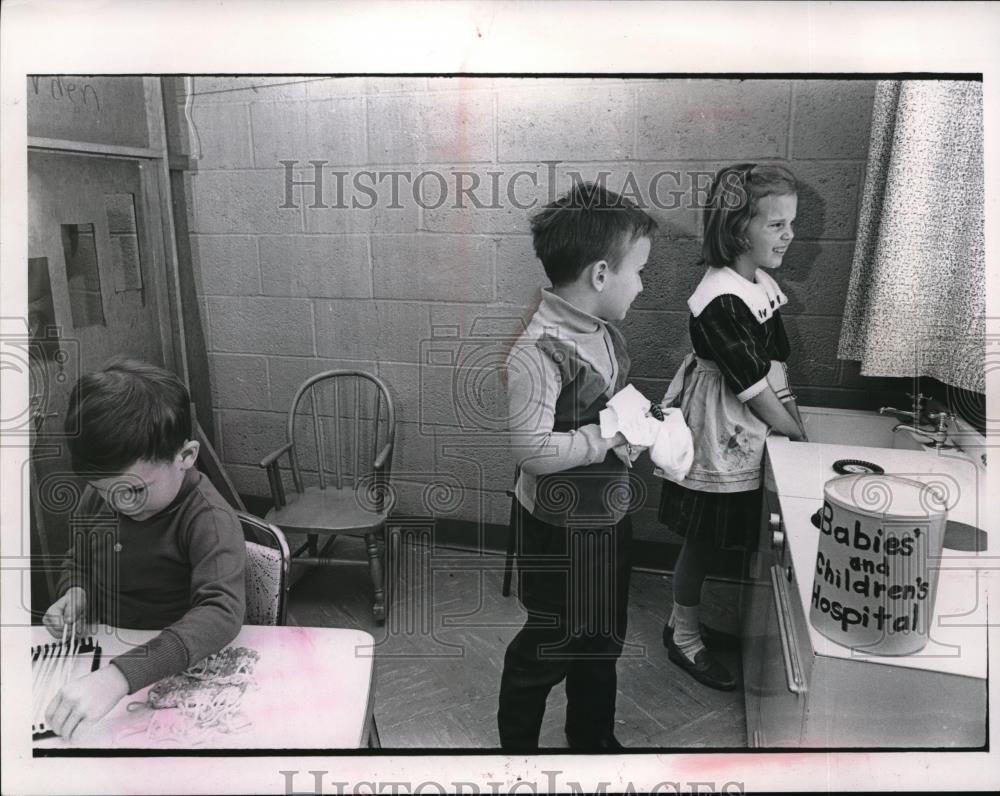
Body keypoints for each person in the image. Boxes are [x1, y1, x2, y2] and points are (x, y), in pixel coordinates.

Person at [497, 182, 658, 751]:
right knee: (551, 644)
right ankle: (515, 756)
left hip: (608, 520)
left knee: (601, 638)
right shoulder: (537, 352)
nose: (642, 284)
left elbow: (610, 403)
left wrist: (638, 428)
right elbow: (533, 452)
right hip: (559, 533)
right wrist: (602, 437)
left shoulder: (600, 334)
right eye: (638, 271)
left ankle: (591, 739)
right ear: (599, 275)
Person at [658, 163, 806, 691]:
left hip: (751, 416)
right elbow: (751, 385)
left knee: (721, 537)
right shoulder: (720, 297)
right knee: (702, 540)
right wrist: (794, 433)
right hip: (721, 426)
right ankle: (684, 637)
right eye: (777, 225)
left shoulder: (757, 282)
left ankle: (683, 620)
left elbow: (775, 358)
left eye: (792, 223)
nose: (790, 235)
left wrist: (789, 419)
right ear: (739, 227)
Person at [42, 358, 246, 740]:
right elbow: (79, 559)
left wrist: (120, 676)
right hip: (103, 659)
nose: (120, 504)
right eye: (106, 491)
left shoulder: (209, 520)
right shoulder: (101, 497)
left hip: (171, 669)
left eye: (135, 490)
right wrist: (75, 591)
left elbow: (220, 614)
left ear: (185, 457)